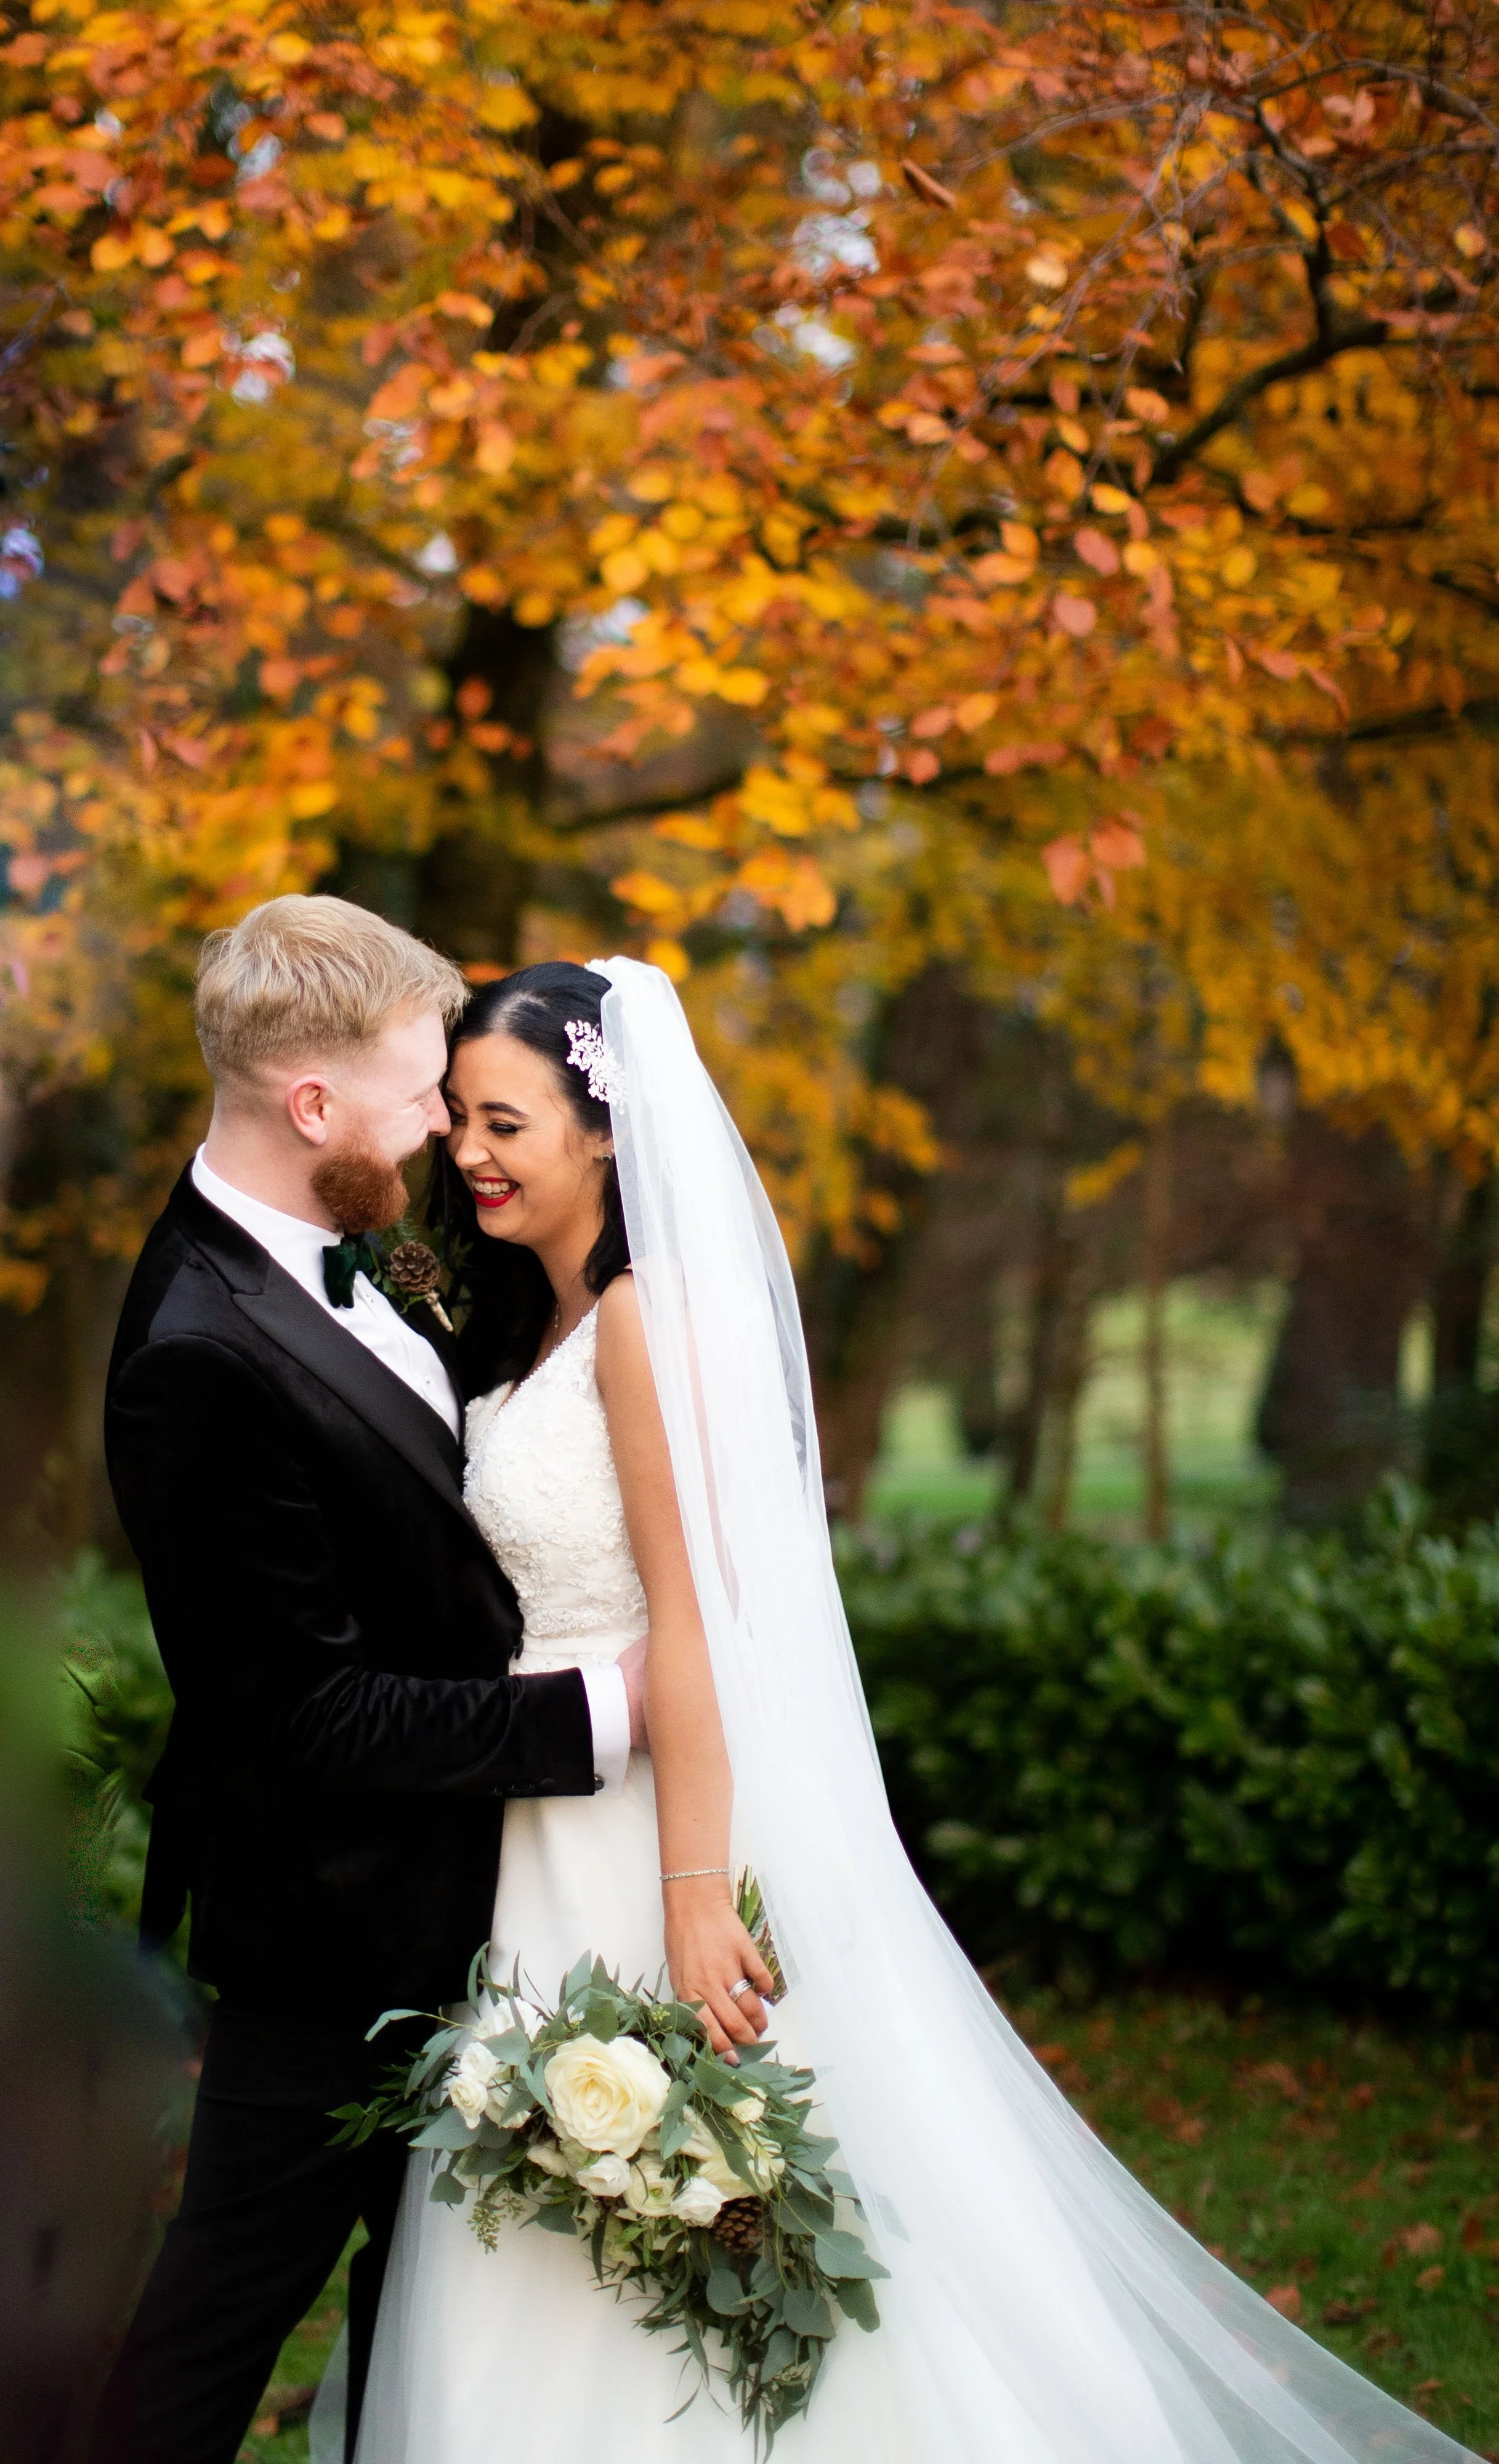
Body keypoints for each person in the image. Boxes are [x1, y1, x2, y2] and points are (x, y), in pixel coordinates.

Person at [347, 955, 1479, 2464]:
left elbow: (696, 1625)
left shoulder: (640, 1318)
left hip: (643, 1828)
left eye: (505, 1122)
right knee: (560, 2206)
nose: (468, 1154)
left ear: (604, 1130)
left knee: (665, 2194)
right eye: (459, 1123)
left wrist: (691, 1893)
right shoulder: (534, 1322)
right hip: (541, 1827)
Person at [90, 897, 646, 2464]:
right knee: (219, 2314)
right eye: (420, 1097)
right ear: (312, 1104)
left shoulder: (348, 1234)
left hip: (481, 1891)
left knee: (449, 2300)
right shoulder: (196, 1349)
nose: (442, 1133)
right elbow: (309, 1715)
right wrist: (608, 1708)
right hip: (330, 1927)